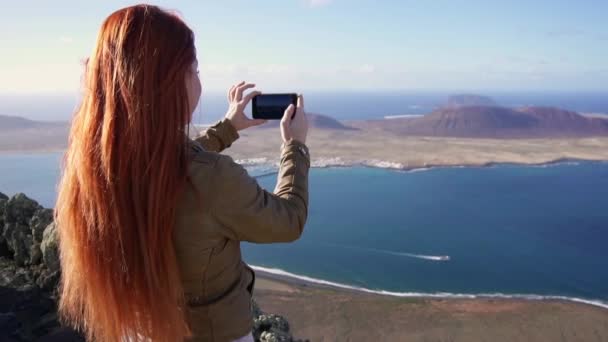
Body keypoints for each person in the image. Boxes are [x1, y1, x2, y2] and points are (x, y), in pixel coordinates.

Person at [55, 4, 309, 342]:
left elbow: (168, 163)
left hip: (139, 329)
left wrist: (228, 127)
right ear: (170, 82)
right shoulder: (212, 179)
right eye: (195, 70)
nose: (199, 82)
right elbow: (288, 220)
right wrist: (295, 146)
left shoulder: (93, 167)